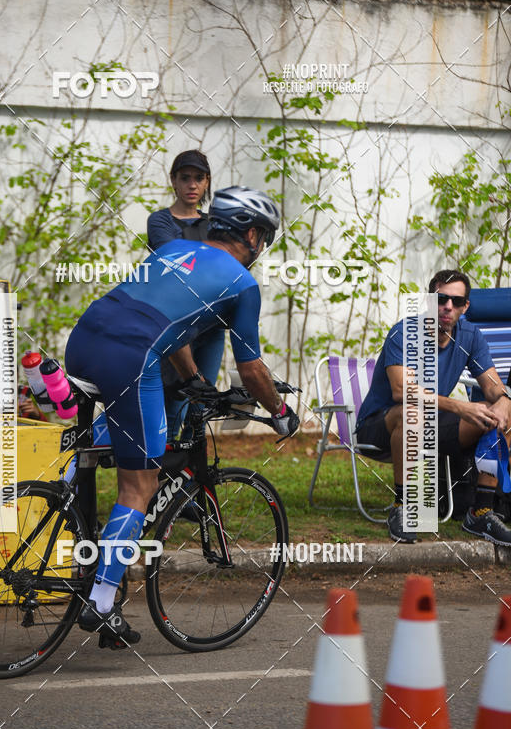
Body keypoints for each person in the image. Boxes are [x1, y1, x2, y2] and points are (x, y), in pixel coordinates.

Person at [65, 186, 299, 647]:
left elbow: (164, 320)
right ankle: (103, 600)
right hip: (131, 359)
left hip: (84, 339)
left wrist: (192, 379)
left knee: (108, 445)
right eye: (264, 240)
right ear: (252, 235)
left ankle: (71, 499)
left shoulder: (173, 247)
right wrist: (280, 411)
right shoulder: (242, 283)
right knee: (140, 484)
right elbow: (251, 368)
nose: (262, 250)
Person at [356, 269, 511, 544]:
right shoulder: (404, 332)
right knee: (413, 411)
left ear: (465, 307)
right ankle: (403, 506)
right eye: (441, 299)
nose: (447, 307)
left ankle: (481, 511)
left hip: (431, 426)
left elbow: (492, 385)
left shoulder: (471, 336)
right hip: (380, 426)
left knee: (497, 414)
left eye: (456, 301)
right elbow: (401, 391)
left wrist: (503, 402)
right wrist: (461, 407)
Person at [147, 149, 224, 440]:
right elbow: (177, 262)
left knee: (201, 408)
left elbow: (232, 265)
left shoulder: (215, 222)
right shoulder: (160, 221)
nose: (192, 185)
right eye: (185, 178)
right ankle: (161, 479)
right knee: (174, 403)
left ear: (207, 183)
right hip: (177, 327)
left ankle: (190, 481)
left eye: (199, 179)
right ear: (174, 182)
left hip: (212, 328)